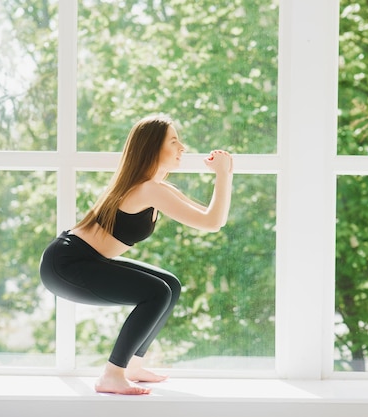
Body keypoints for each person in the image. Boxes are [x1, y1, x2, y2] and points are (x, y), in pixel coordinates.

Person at [39, 114, 233, 395]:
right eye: (174, 141)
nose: (183, 148)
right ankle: (112, 374)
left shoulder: (155, 188)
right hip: (66, 264)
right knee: (156, 292)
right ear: (152, 148)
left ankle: (132, 365)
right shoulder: (147, 190)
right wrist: (223, 173)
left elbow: (212, 218)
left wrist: (224, 174)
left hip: (86, 259)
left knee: (170, 285)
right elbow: (212, 223)